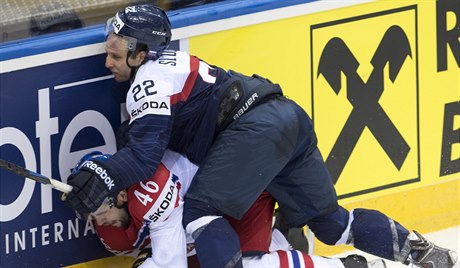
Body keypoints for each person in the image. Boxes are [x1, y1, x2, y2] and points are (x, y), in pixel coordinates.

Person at [63, 4, 458, 268]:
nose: (108, 61)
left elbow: (145, 158)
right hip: (287, 120)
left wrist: (101, 175)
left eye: (115, 53)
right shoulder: (172, 63)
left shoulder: (147, 82)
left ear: (140, 51)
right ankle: (424, 254)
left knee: (200, 214)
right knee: (332, 224)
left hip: (252, 132)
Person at [75, 150, 385, 268]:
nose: (97, 220)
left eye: (99, 210)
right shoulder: (110, 229)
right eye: (90, 215)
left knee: (246, 266)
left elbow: (170, 262)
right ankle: (282, 239)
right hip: (209, 220)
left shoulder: (150, 189)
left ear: (119, 196)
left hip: (239, 199)